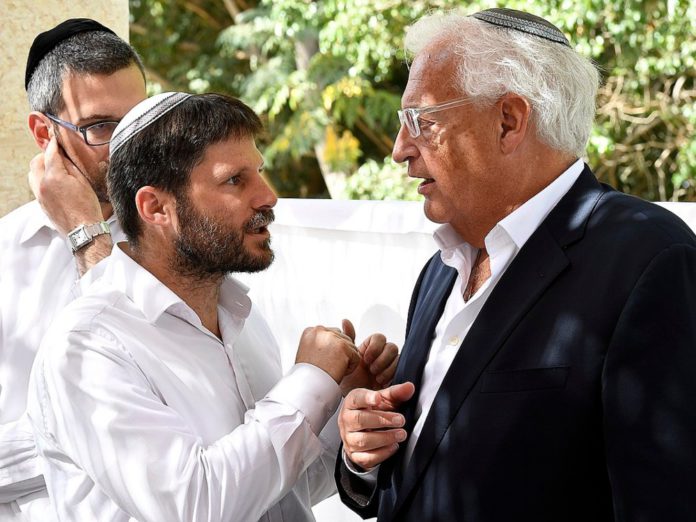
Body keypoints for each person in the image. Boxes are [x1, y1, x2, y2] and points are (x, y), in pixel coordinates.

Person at [336, 7, 696, 521]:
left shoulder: (647, 259)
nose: (399, 151)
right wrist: (363, 453)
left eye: (421, 120)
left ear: (509, 121)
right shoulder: (441, 269)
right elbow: (415, 478)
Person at [26, 92, 399, 521]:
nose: (269, 197)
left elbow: (277, 492)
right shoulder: (88, 347)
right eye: (235, 181)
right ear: (156, 207)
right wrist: (310, 381)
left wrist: (343, 411)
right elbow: (196, 507)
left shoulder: (241, 317)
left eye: (259, 173)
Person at [0, 19, 147, 520]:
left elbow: (170, 400)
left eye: (139, 120)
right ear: (44, 133)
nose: (130, 146)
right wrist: (93, 449)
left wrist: (88, 231)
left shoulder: (184, 244)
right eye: (101, 127)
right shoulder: (2, 258)